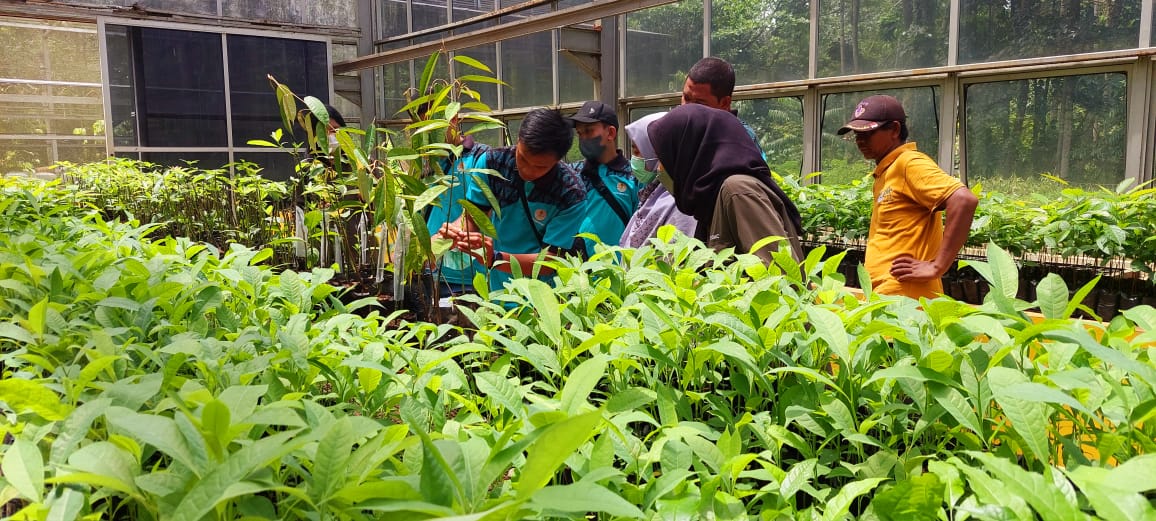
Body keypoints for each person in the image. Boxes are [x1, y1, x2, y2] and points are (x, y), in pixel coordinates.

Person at [837, 94, 979, 299]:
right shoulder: (888, 170)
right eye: (856, 134)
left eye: (868, 134)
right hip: (889, 293)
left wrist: (937, 266)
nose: (860, 141)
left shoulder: (909, 163)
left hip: (905, 297)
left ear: (894, 129)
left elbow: (964, 200)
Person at [439, 108, 585, 294]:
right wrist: (456, 232)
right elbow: (473, 217)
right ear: (518, 140)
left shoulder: (570, 192)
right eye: (522, 158)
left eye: (540, 167)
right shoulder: (492, 164)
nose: (528, 170)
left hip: (545, 296)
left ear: (558, 160)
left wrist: (495, 258)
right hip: (497, 290)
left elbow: (551, 262)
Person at [647, 103, 804, 264]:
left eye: (663, 157)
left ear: (686, 154)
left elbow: (781, 278)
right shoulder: (710, 200)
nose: (659, 167)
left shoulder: (737, 191)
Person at [426, 118, 490, 296]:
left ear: (453, 119)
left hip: (469, 276)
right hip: (430, 272)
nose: (430, 132)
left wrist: (436, 243)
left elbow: (481, 213)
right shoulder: (427, 162)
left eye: (434, 125)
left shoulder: (481, 158)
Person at [568, 100, 639, 257]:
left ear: (611, 133)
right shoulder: (571, 174)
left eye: (589, 131)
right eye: (580, 133)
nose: (583, 138)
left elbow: (641, 227)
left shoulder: (634, 176)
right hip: (576, 274)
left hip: (617, 273)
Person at [619, 111, 697, 248]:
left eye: (639, 151)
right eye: (633, 152)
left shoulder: (681, 203)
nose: (634, 159)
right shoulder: (653, 194)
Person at [682, 57, 766, 158]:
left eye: (699, 104)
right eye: (686, 98)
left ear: (724, 103)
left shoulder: (743, 140)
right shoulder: (679, 130)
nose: (688, 109)